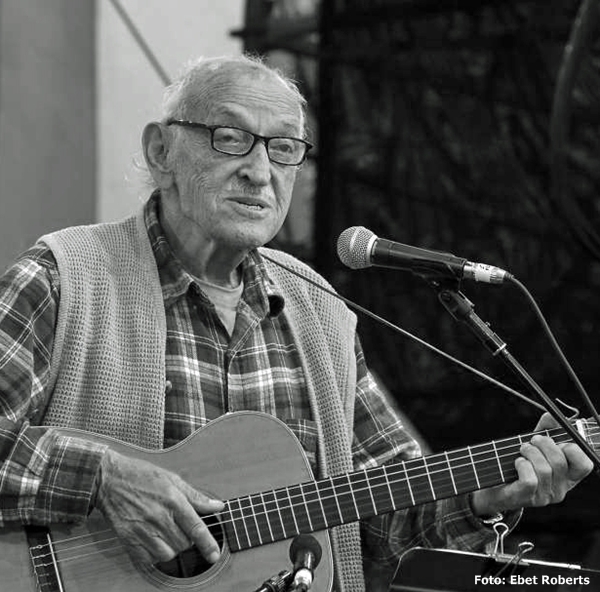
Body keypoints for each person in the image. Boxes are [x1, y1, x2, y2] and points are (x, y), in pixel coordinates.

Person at [0, 54, 593, 592]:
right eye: (230, 138)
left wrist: (484, 496)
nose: (260, 171)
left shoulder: (321, 314)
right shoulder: (63, 275)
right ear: (161, 153)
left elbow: (385, 525)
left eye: (285, 148)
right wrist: (104, 477)